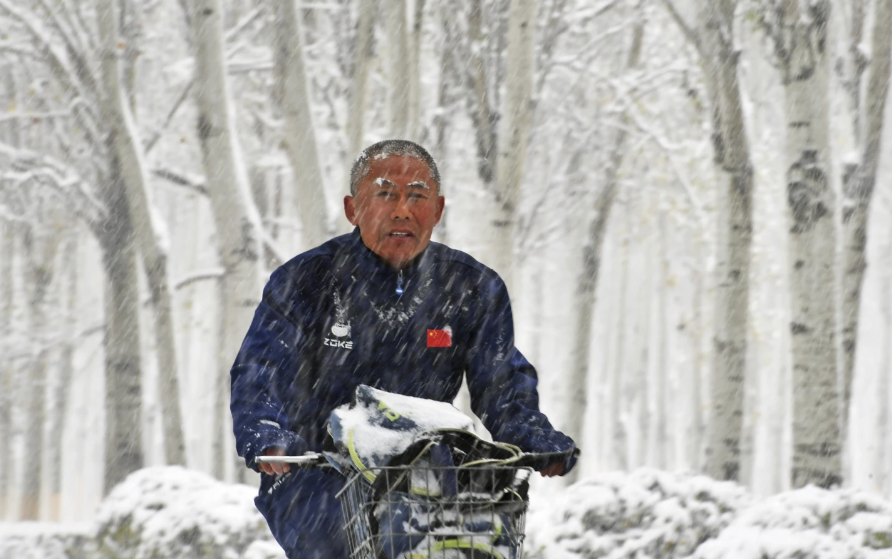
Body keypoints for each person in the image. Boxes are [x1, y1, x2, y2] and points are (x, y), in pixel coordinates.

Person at [230, 140, 577, 559]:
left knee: (479, 542)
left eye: (416, 195)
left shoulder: (473, 287)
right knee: (341, 540)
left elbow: (502, 386)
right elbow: (258, 371)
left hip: (428, 476)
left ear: (438, 209)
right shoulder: (304, 280)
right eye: (384, 194)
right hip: (318, 475)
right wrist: (266, 435)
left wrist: (533, 437)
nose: (401, 210)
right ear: (352, 209)